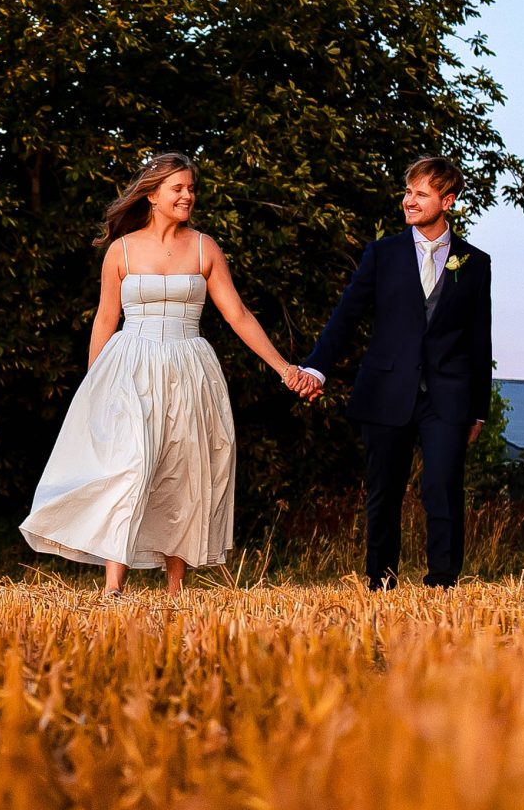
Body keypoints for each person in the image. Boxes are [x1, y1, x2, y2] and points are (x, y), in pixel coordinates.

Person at [21, 152, 315, 594]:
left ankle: (176, 588)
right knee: (128, 466)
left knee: (183, 470)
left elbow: (237, 314)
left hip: (188, 366)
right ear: (152, 194)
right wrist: (93, 386)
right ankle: (112, 586)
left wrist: (285, 368)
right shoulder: (121, 250)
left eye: (191, 188)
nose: (188, 195)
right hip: (130, 365)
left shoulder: (204, 247)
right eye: (178, 188)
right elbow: (105, 319)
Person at [295, 156, 494, 589]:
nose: (409, 201)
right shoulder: (381, 254)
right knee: (384, 490)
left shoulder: (475, 263)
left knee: (442, 487)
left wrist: (478, 409)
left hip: (449, 396)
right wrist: (317, 367)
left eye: (420, 194)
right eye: (408, 192)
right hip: (387, 389)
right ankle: (381, 578)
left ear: (448, 201)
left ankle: (442, 581)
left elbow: (481, 338)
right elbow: (347, 315)